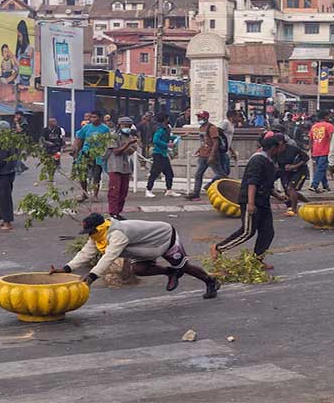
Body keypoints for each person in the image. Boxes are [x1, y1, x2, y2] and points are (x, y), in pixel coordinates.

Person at [55, 213, 220, 299]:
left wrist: (91, 277)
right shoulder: (98, 235)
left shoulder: (117, 234)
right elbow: (86, 252)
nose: (89, 235)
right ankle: (170, 272)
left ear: (99, 227)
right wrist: (66, 268)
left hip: (163, 237)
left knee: (184, 266)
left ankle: (210, 281)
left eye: (90, 231)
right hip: (144, 247)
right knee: (139, 269)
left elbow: (109, 257)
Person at [211, 134, 287, 269]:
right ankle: (219, 248)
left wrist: (278, 196)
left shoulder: (269, 160)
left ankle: (257, 260)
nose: (284, 147)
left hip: (263, 200)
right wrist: (251, 204)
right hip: (251, 199)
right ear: (274, 147)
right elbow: (252, 182)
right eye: (282, 145)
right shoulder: (258, 160)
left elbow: (266, 184)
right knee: (248, 231)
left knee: (267, 231)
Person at [186, 111, 225, 201]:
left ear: (206, 118)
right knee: (198, 175)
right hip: (203, 155)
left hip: (211, 155)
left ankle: (211, 186)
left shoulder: (212, 128)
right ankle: (196, 194)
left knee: (220, 174)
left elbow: (216, 142)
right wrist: (199, 150)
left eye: (200, 117)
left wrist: (212, 155)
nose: (198, 118)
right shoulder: (201, 128)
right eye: (198, 117)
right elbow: (203, 142)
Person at [73, 110, 110, 202]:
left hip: (98, 155)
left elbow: (108, 142)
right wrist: (76, 152)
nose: (93, 119)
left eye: (95, 117)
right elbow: (80, 139)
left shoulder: (105, 129)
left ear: (100, 118)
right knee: (82, 174)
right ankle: (84, 193)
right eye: (92, 117)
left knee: (96, 175)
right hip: (86, 153)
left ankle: (95, 195)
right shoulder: (86, 128)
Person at [105, 117, 138, 220]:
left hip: (125, 166)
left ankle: (118, 211)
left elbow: (130, 151)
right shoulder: (113, 136)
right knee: (114, 191)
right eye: (125, 125)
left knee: (123, 191)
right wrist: (128, 144)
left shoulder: (128, 136)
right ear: (119, 125)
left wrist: (132, 147)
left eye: (129, 126)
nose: (127, 128)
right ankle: (112, 212)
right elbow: (116, 151)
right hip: (115, 166)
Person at [147, 113, 180, 198]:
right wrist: (167, 145)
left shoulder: (165, 129)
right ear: (165, 119)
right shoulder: (160, 129)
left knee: (169, 173)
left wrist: (176, 137)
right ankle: (148, 189)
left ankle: (169, 190)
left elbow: (166, 137)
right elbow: (156, 140)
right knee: (155, 172)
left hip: (164, 154)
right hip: (158, 153)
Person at [277, 133, 310, 217]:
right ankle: (308, 203)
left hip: (299, 171)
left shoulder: (293, 149)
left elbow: (306, 158)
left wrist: (295, 166)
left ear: (282, 142)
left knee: (291, 188)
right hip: (285, 172)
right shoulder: (275, 151)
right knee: (289, 191)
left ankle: (294, 209)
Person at [308, 111, 334, 193]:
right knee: (321, 168)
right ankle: (314, 185)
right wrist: (333, 149)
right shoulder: (329, 126)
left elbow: (310, 139)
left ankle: (325, 185)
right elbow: (332, 138)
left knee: (320, 168)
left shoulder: (314, 126)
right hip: (325, 150)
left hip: (316, 150)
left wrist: (311, 150)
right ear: (326, 116)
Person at [218, 110, 241, 177]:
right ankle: (211, 184)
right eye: (237, 116)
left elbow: (228, 139)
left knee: (226, 171)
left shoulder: (232, 124)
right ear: (232, 116)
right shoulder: (225, 122)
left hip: (226, 150)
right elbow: (218, 132)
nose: (238, 118)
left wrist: (232, 151)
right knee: (223, 172)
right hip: (221, 150)